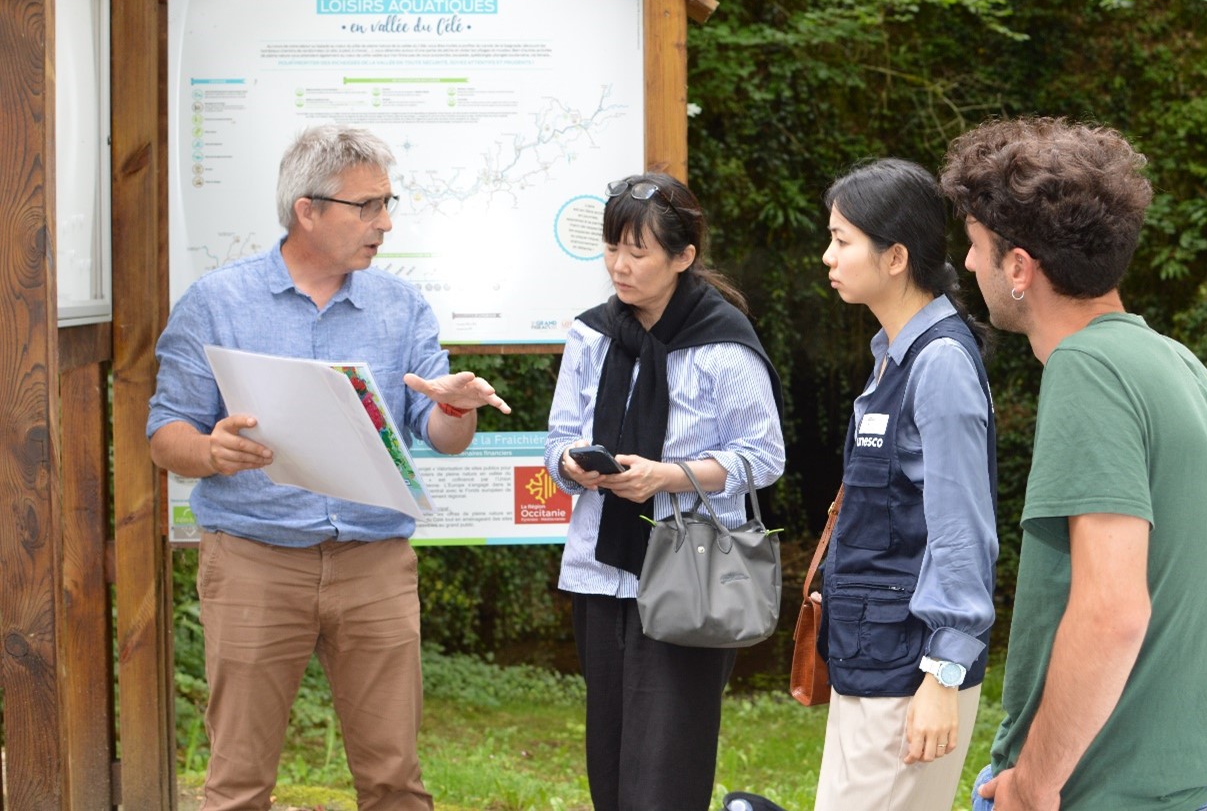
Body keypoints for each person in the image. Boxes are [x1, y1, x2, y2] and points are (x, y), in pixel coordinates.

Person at [147, 125, 511, 811]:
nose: (385, 222)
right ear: (306, 211)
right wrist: (210, 450)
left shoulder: (400, 306)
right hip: (255, 558)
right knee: (238, 783)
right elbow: (166, 432)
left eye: (387, 203)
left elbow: (441, 435)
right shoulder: (218, 302)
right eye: (367, 207)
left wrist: (457, 409)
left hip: (374, 562)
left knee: (393, 781)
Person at [937, 117, 1207, 811]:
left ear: (1018, 268)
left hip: (1090, 794)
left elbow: (1112, 610)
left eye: (976, 247)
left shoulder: (1086, 369)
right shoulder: (1184, 367)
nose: (970, 265)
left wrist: (1033, 784)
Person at [545, 172, 786, 811]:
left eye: (638, 252)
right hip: (602, 573)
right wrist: (573, 464)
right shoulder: (591, 335)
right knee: (612, 768)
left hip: (690, 573)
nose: (619, 267)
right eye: (611, 248)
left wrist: (667, 476)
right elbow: (557, 444)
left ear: (683, 257)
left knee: (665, 775)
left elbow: (764, 458)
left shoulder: (721, 342)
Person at [814, 158, 1000, 811]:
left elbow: (961, 529)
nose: (827, 256)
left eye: (842, 240)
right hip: (872, 662)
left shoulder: (940, 364)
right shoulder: (892, 355)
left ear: (895, 257)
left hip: (910, 673)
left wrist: (942, 677)